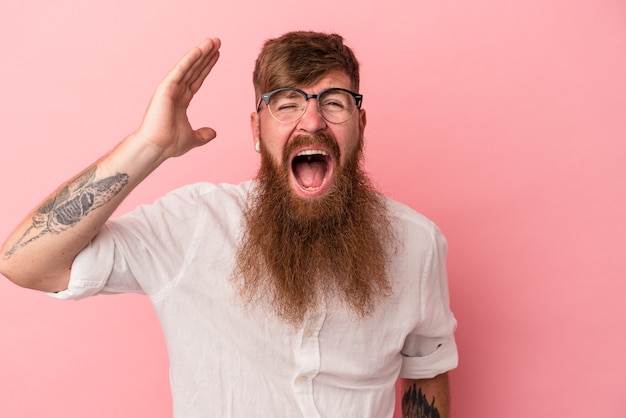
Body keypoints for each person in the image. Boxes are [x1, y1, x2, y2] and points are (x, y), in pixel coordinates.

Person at [0, 31, 458, 417]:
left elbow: (428, 369)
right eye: (286, 104)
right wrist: (150, 144)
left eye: (334, 103)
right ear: (257, 130)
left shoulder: (417, 244)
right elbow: (27, 264)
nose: (313, 122)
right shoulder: (194, 224)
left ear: (360, 124)